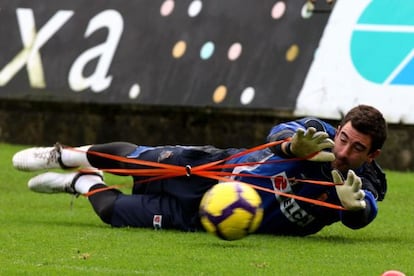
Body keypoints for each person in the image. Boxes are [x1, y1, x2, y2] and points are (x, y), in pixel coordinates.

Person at [12, 104, 387, 236]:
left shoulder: (357, 184)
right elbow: (280, 133)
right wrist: (293, 147)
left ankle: (81, 183)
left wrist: (355, 210)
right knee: (133, 158)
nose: (343, 151)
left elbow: (364, 210)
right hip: (214, 165)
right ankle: (65, 156)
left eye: (357, 149)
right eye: (343, 137)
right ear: (337, 129)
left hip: (204, 214)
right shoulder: (315, 134)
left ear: (371, 156)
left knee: (112, 212)